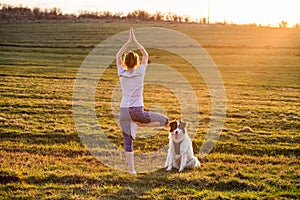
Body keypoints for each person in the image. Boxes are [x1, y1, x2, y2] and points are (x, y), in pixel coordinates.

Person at [116, 27, 169, 174]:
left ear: (125, 62)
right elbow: (146, 54)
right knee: (165, 120)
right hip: (137, 111)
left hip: (124, 111)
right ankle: (140, 125)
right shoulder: (140, 71)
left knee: (128, 141)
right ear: (137, 62)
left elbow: (117, 56)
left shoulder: (122, 73)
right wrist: (135, 41)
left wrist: (128, 42)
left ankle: (132, 171)